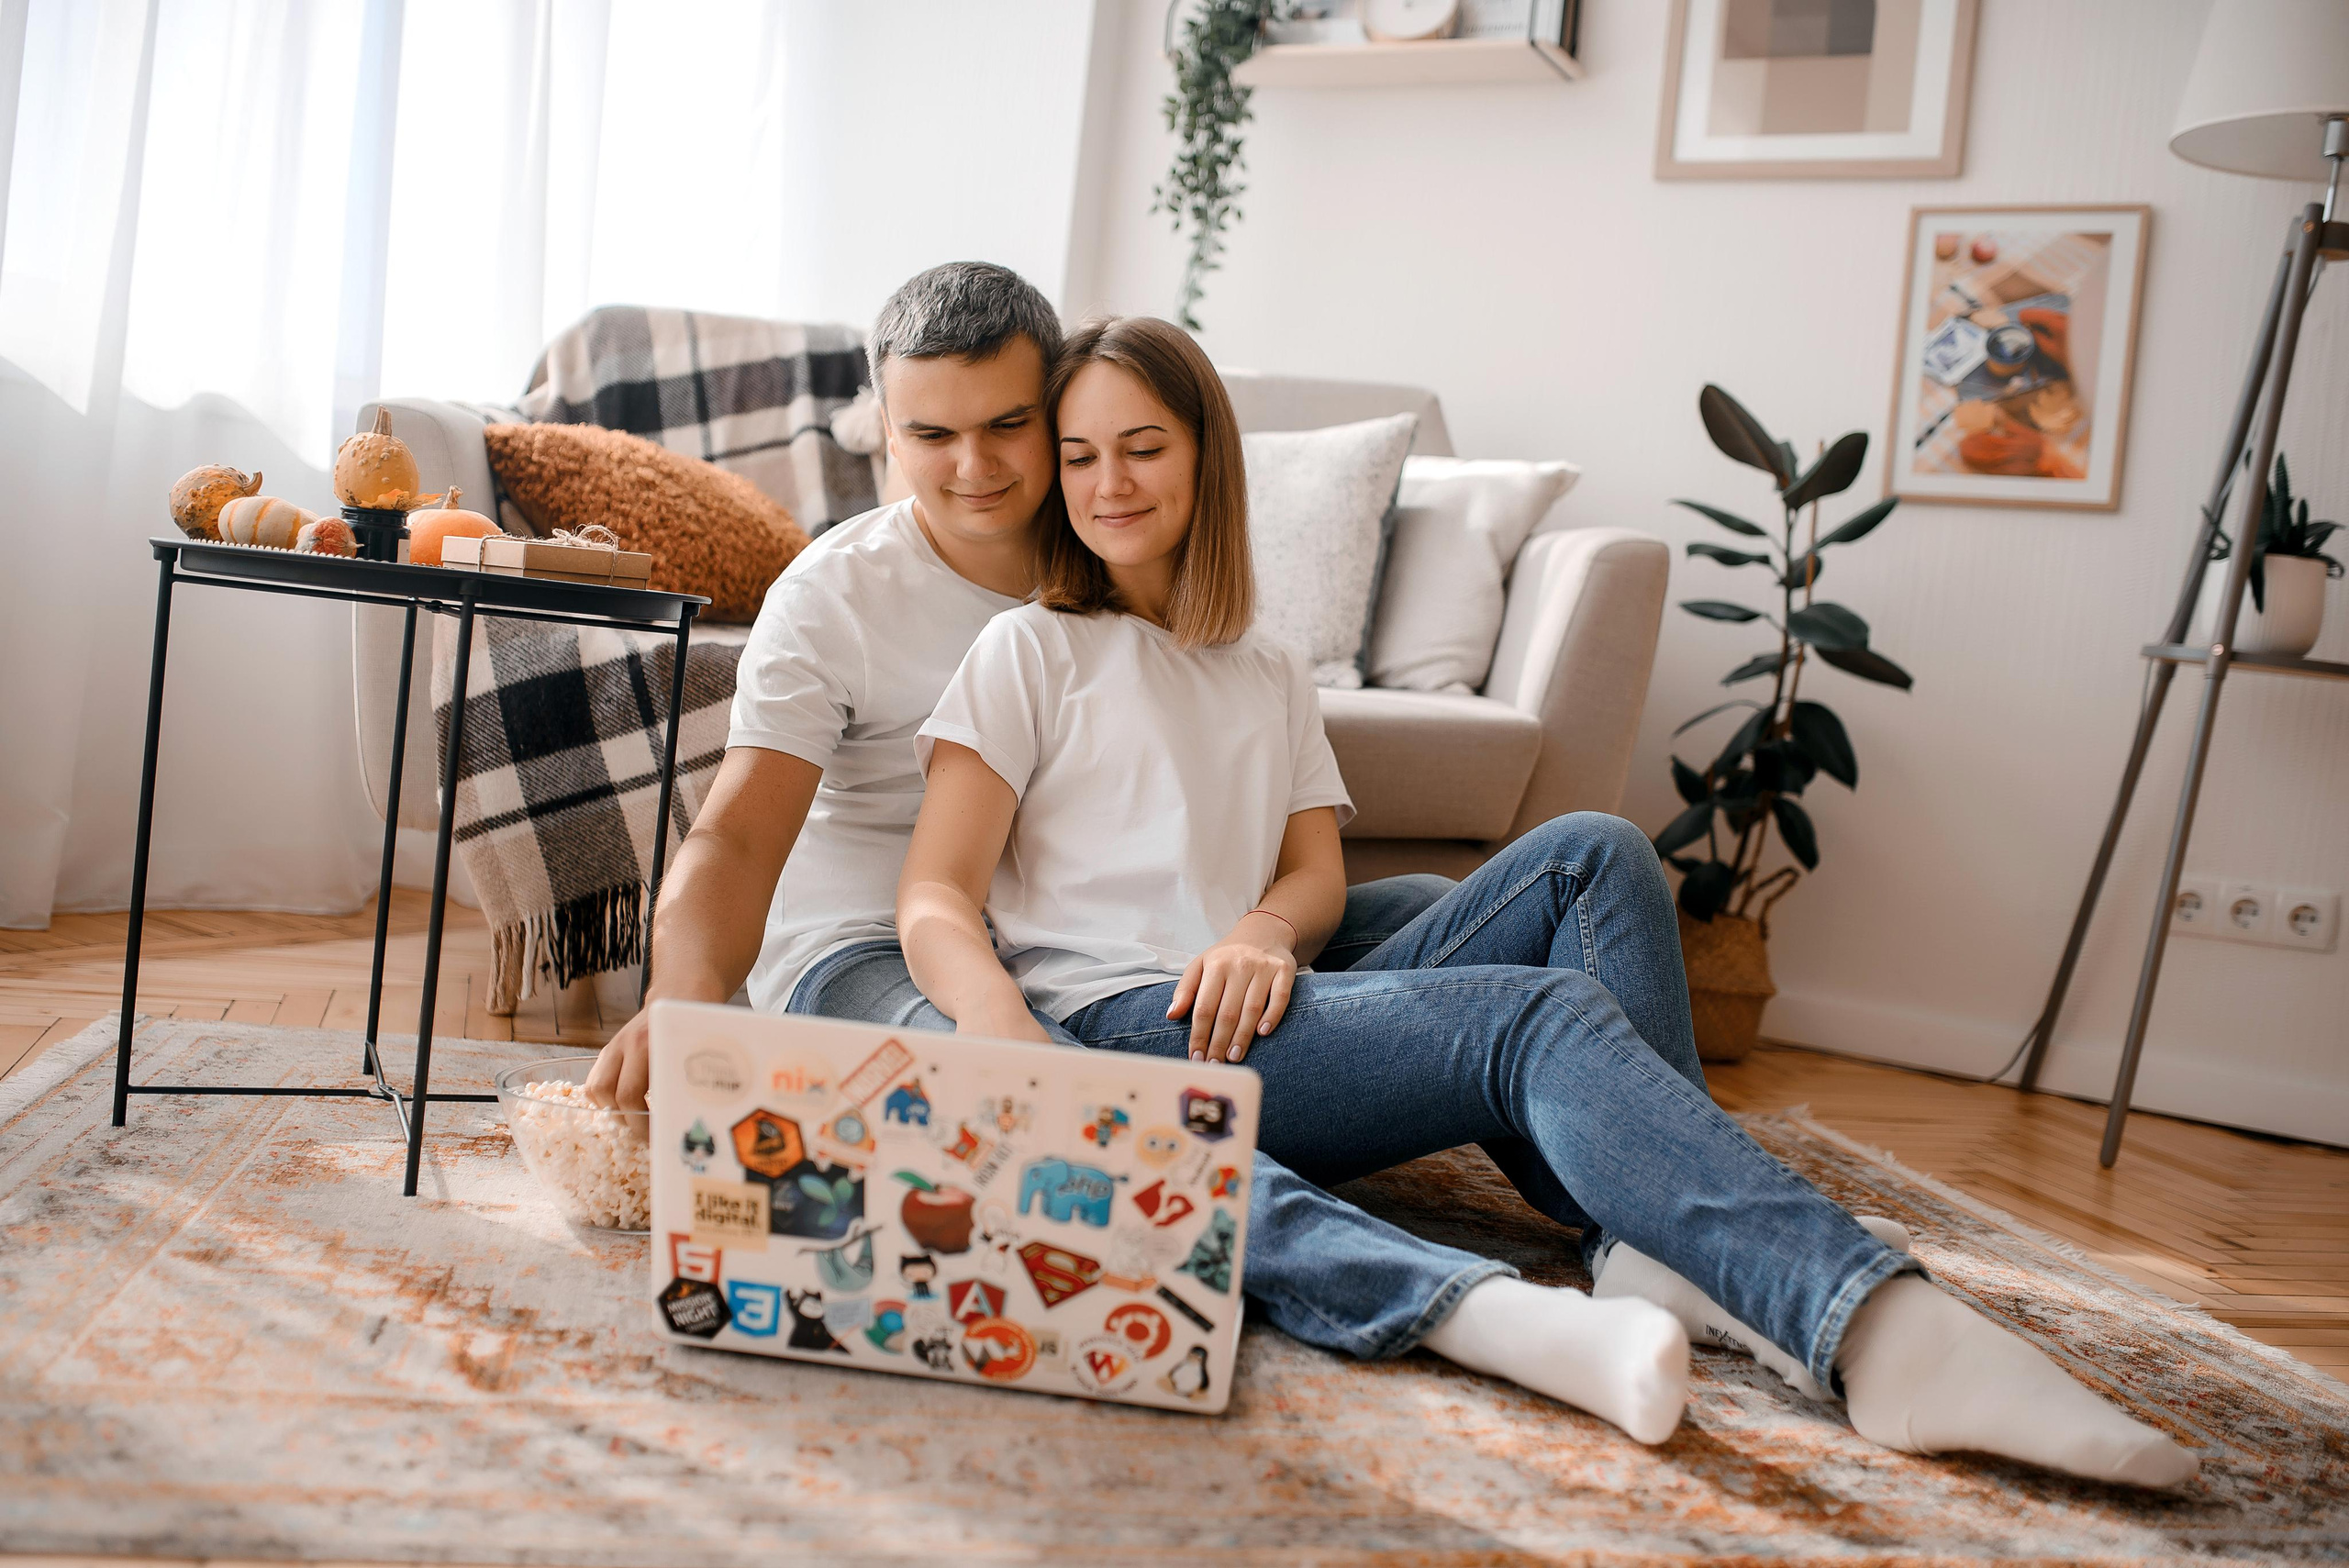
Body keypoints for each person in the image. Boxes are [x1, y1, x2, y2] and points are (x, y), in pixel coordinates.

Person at [894, 312, 2196, 1484]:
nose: (1109, 482)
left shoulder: (1265, 662)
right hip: (1142, 1026)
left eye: (1143, 447)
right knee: (1537, 1020)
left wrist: (1259, 929)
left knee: (1596, 846)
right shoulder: (1032, 647)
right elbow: (936, 898)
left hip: (1275, 990)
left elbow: (1311, 872)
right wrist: (1014, 1049)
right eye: (1079, 456)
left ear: (1207, 459)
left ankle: (1645, 1244)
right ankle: (1875, 1325)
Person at [584, 262, 1690, 1436]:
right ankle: (1468, 1307)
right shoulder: (838, 593)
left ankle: (1660, 1213)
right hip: (885, 949)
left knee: (1453, 899)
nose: (976, 466)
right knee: (1075, 1110)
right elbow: (738, 832)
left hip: (1102, 938)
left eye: (1012, 425)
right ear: (882, 431)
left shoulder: (1111, 534)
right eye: (932, 434)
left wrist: (1262, 924)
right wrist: (685, 996)